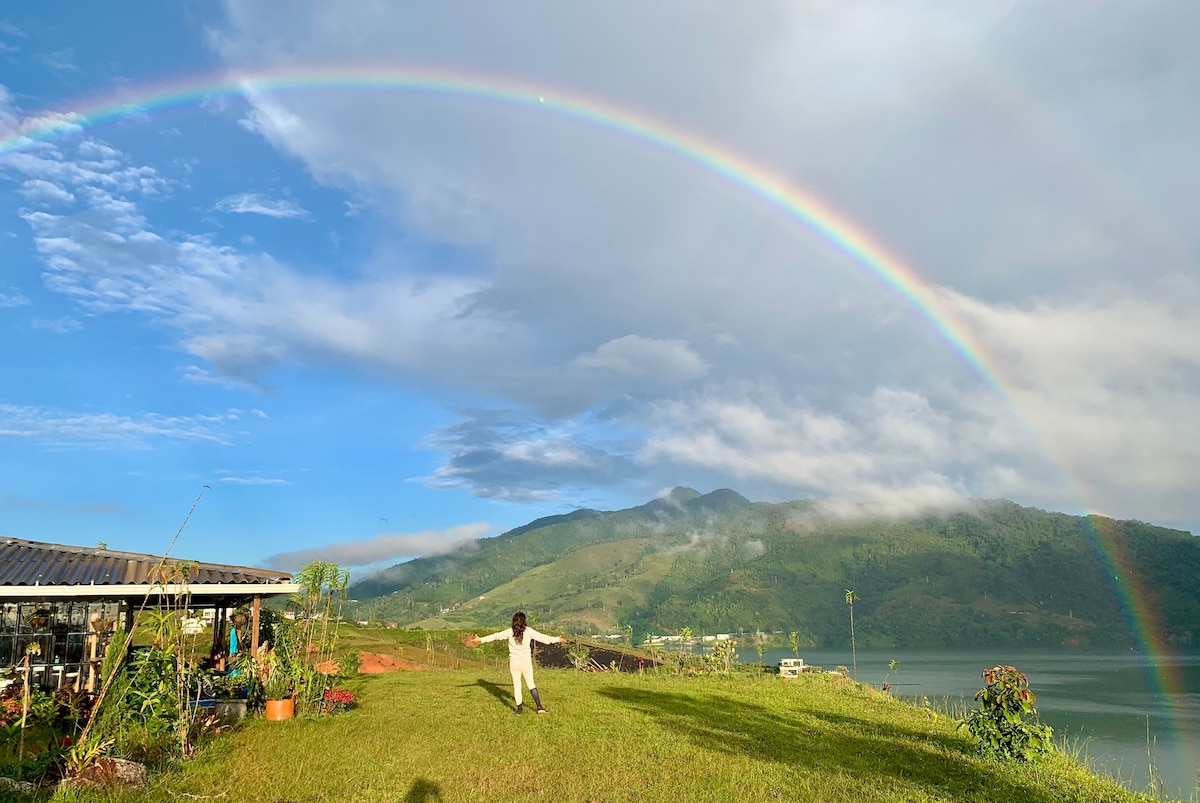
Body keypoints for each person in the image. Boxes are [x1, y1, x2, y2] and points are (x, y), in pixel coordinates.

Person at [467, 612, 562, 714]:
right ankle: (540, 708)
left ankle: (519, 710)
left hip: (514, 664)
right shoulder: (529, 631)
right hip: (526, 663)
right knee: (531, 684)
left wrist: (481, 639)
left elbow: (495, 636)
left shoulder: (509, 632)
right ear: (524, 621)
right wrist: (557, 639)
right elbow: (543, 637)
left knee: (517, 685)